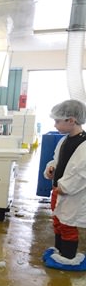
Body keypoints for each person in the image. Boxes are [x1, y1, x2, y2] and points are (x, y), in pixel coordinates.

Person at [43, 99, 86, 265]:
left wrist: (64, 187)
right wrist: (51, 168)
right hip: (58, 190)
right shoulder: (64, 140)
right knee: (58, 220)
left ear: (71, 120)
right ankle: (59, 250)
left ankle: (68, 257)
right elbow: (57, 160)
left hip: (72, 194)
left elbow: (81, 174)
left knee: (68, 223)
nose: (55, 125)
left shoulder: (84, 145)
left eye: (57, 121)